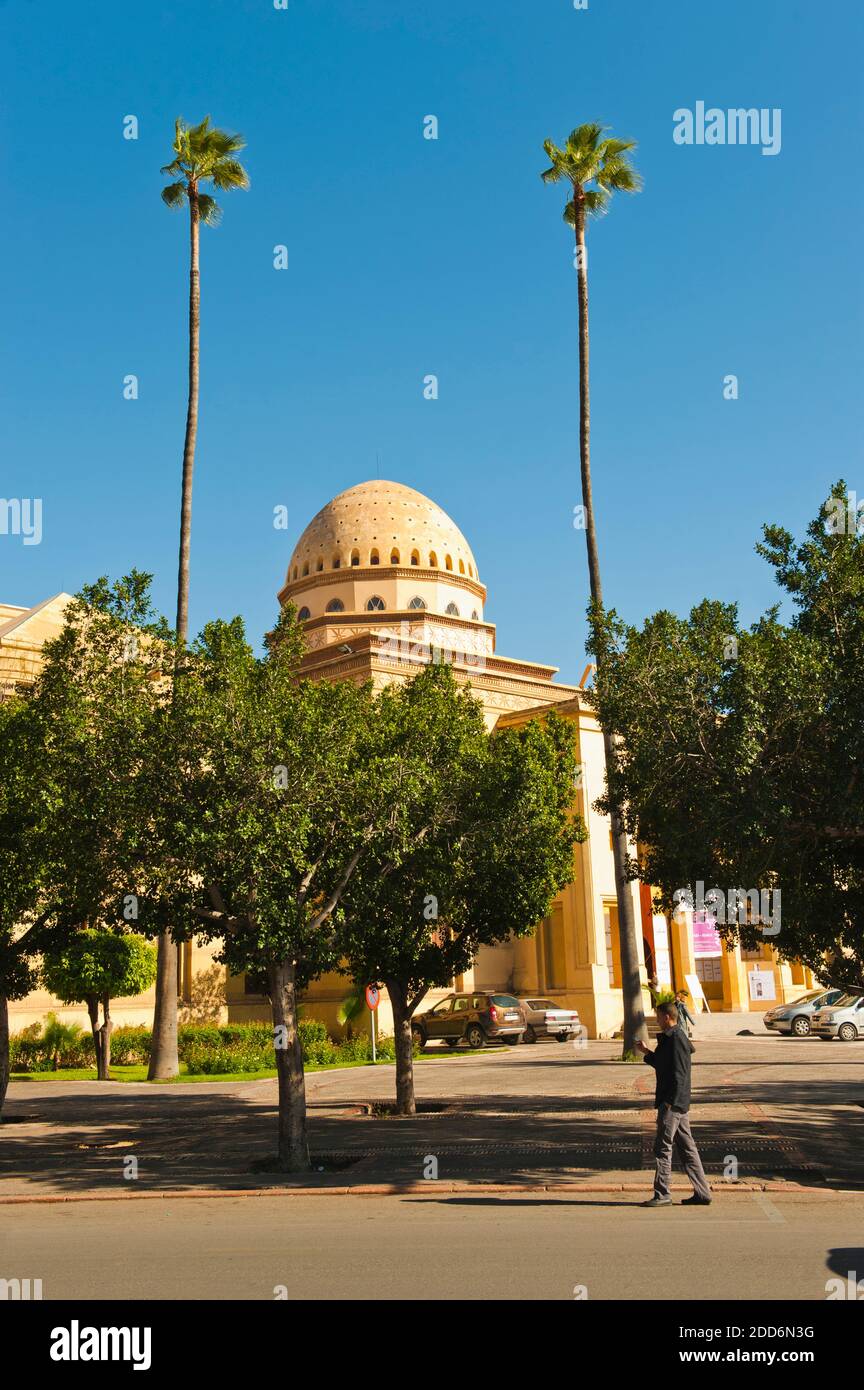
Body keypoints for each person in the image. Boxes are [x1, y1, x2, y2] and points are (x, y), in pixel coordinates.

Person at [637, 1001, 711, 1208]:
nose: (658, 1020)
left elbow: (680, 1074)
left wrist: (671, 1103)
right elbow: (663, 1065)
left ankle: (662, 1194)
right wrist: (647, 1052)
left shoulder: (676, 1038)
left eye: (659, 1017)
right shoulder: (672, 1039)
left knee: (662, 1148)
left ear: (667, 1017)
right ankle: (702, 1192)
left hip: (672, 1103)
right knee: (688, 1148)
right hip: (676, 1102)